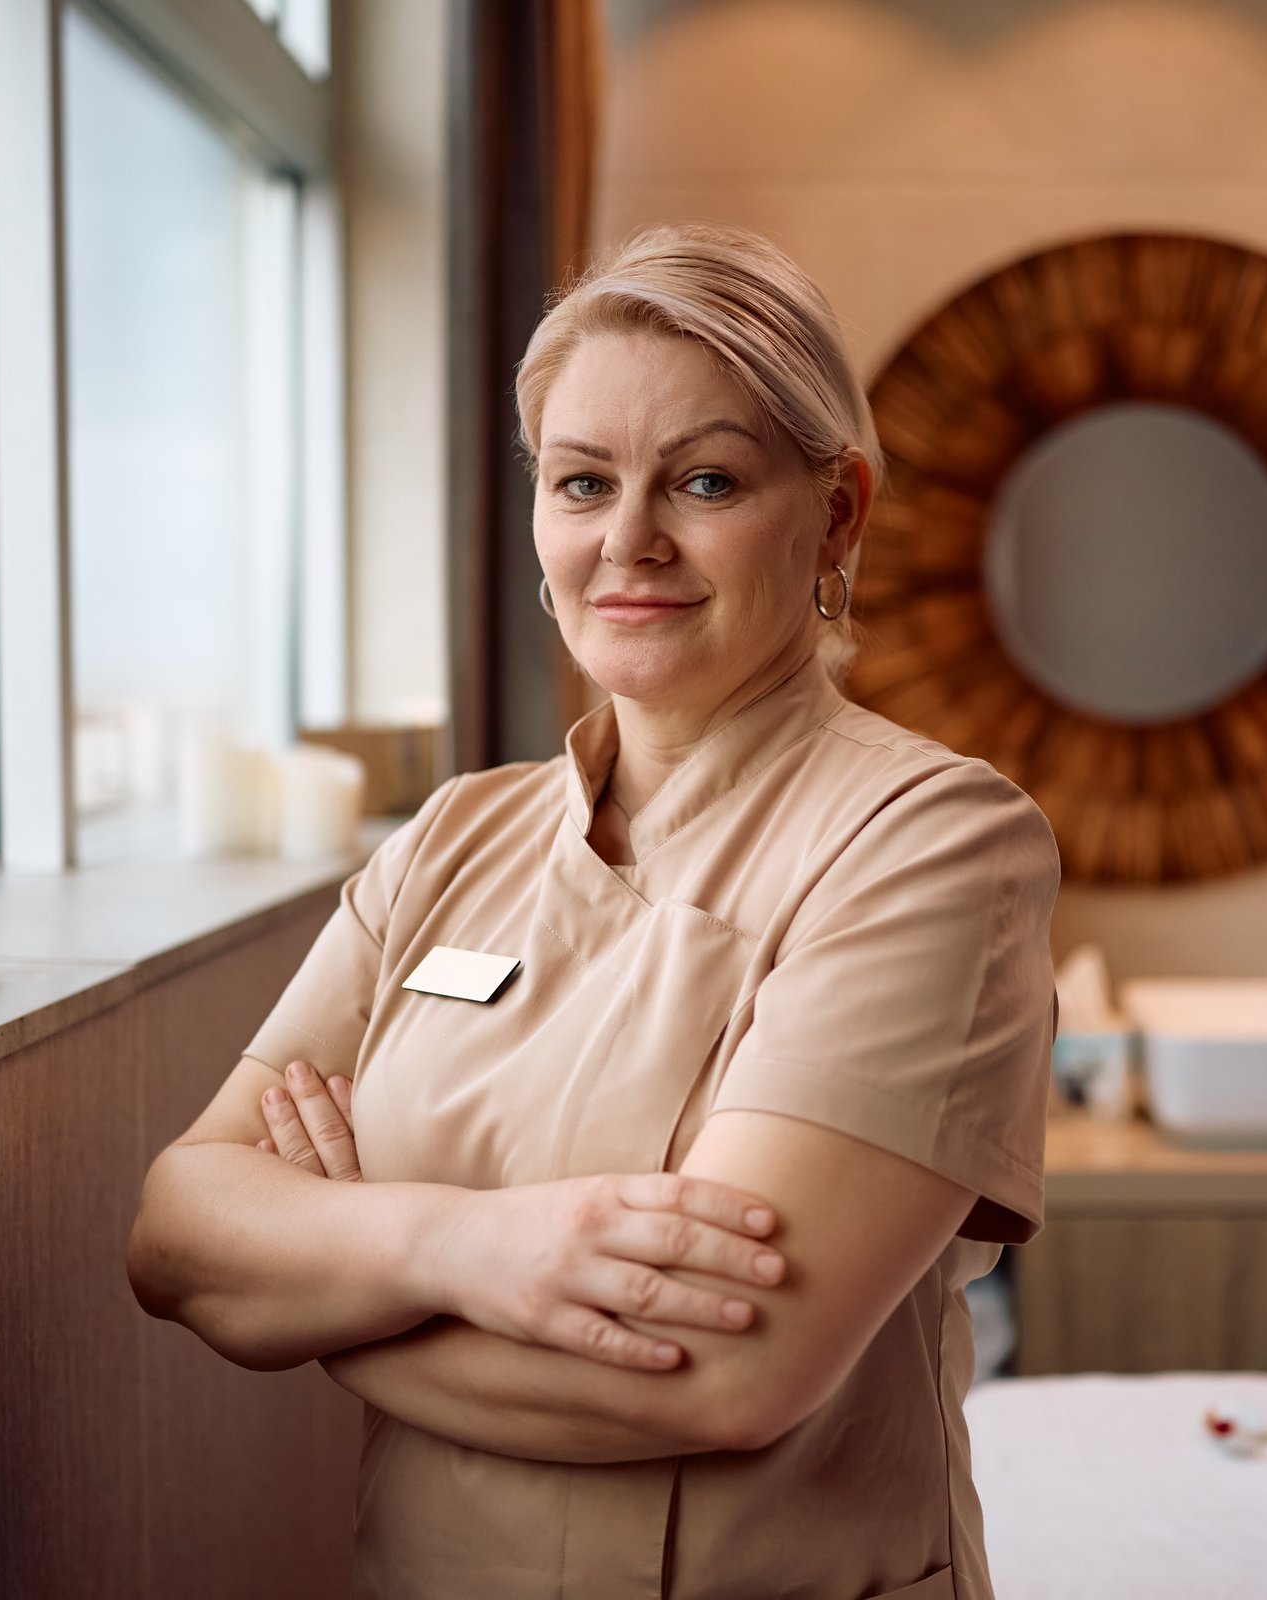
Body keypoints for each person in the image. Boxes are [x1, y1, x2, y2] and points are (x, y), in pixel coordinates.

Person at [126, 222, 1061, 1600]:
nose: (629, 542)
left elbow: (728, 1373)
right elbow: (178, 1233)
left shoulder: (928, 844)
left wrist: (322, 1300)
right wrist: (467, 1247)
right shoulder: (453, 838)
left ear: (837, 514)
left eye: (704, 480)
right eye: (582, 482)